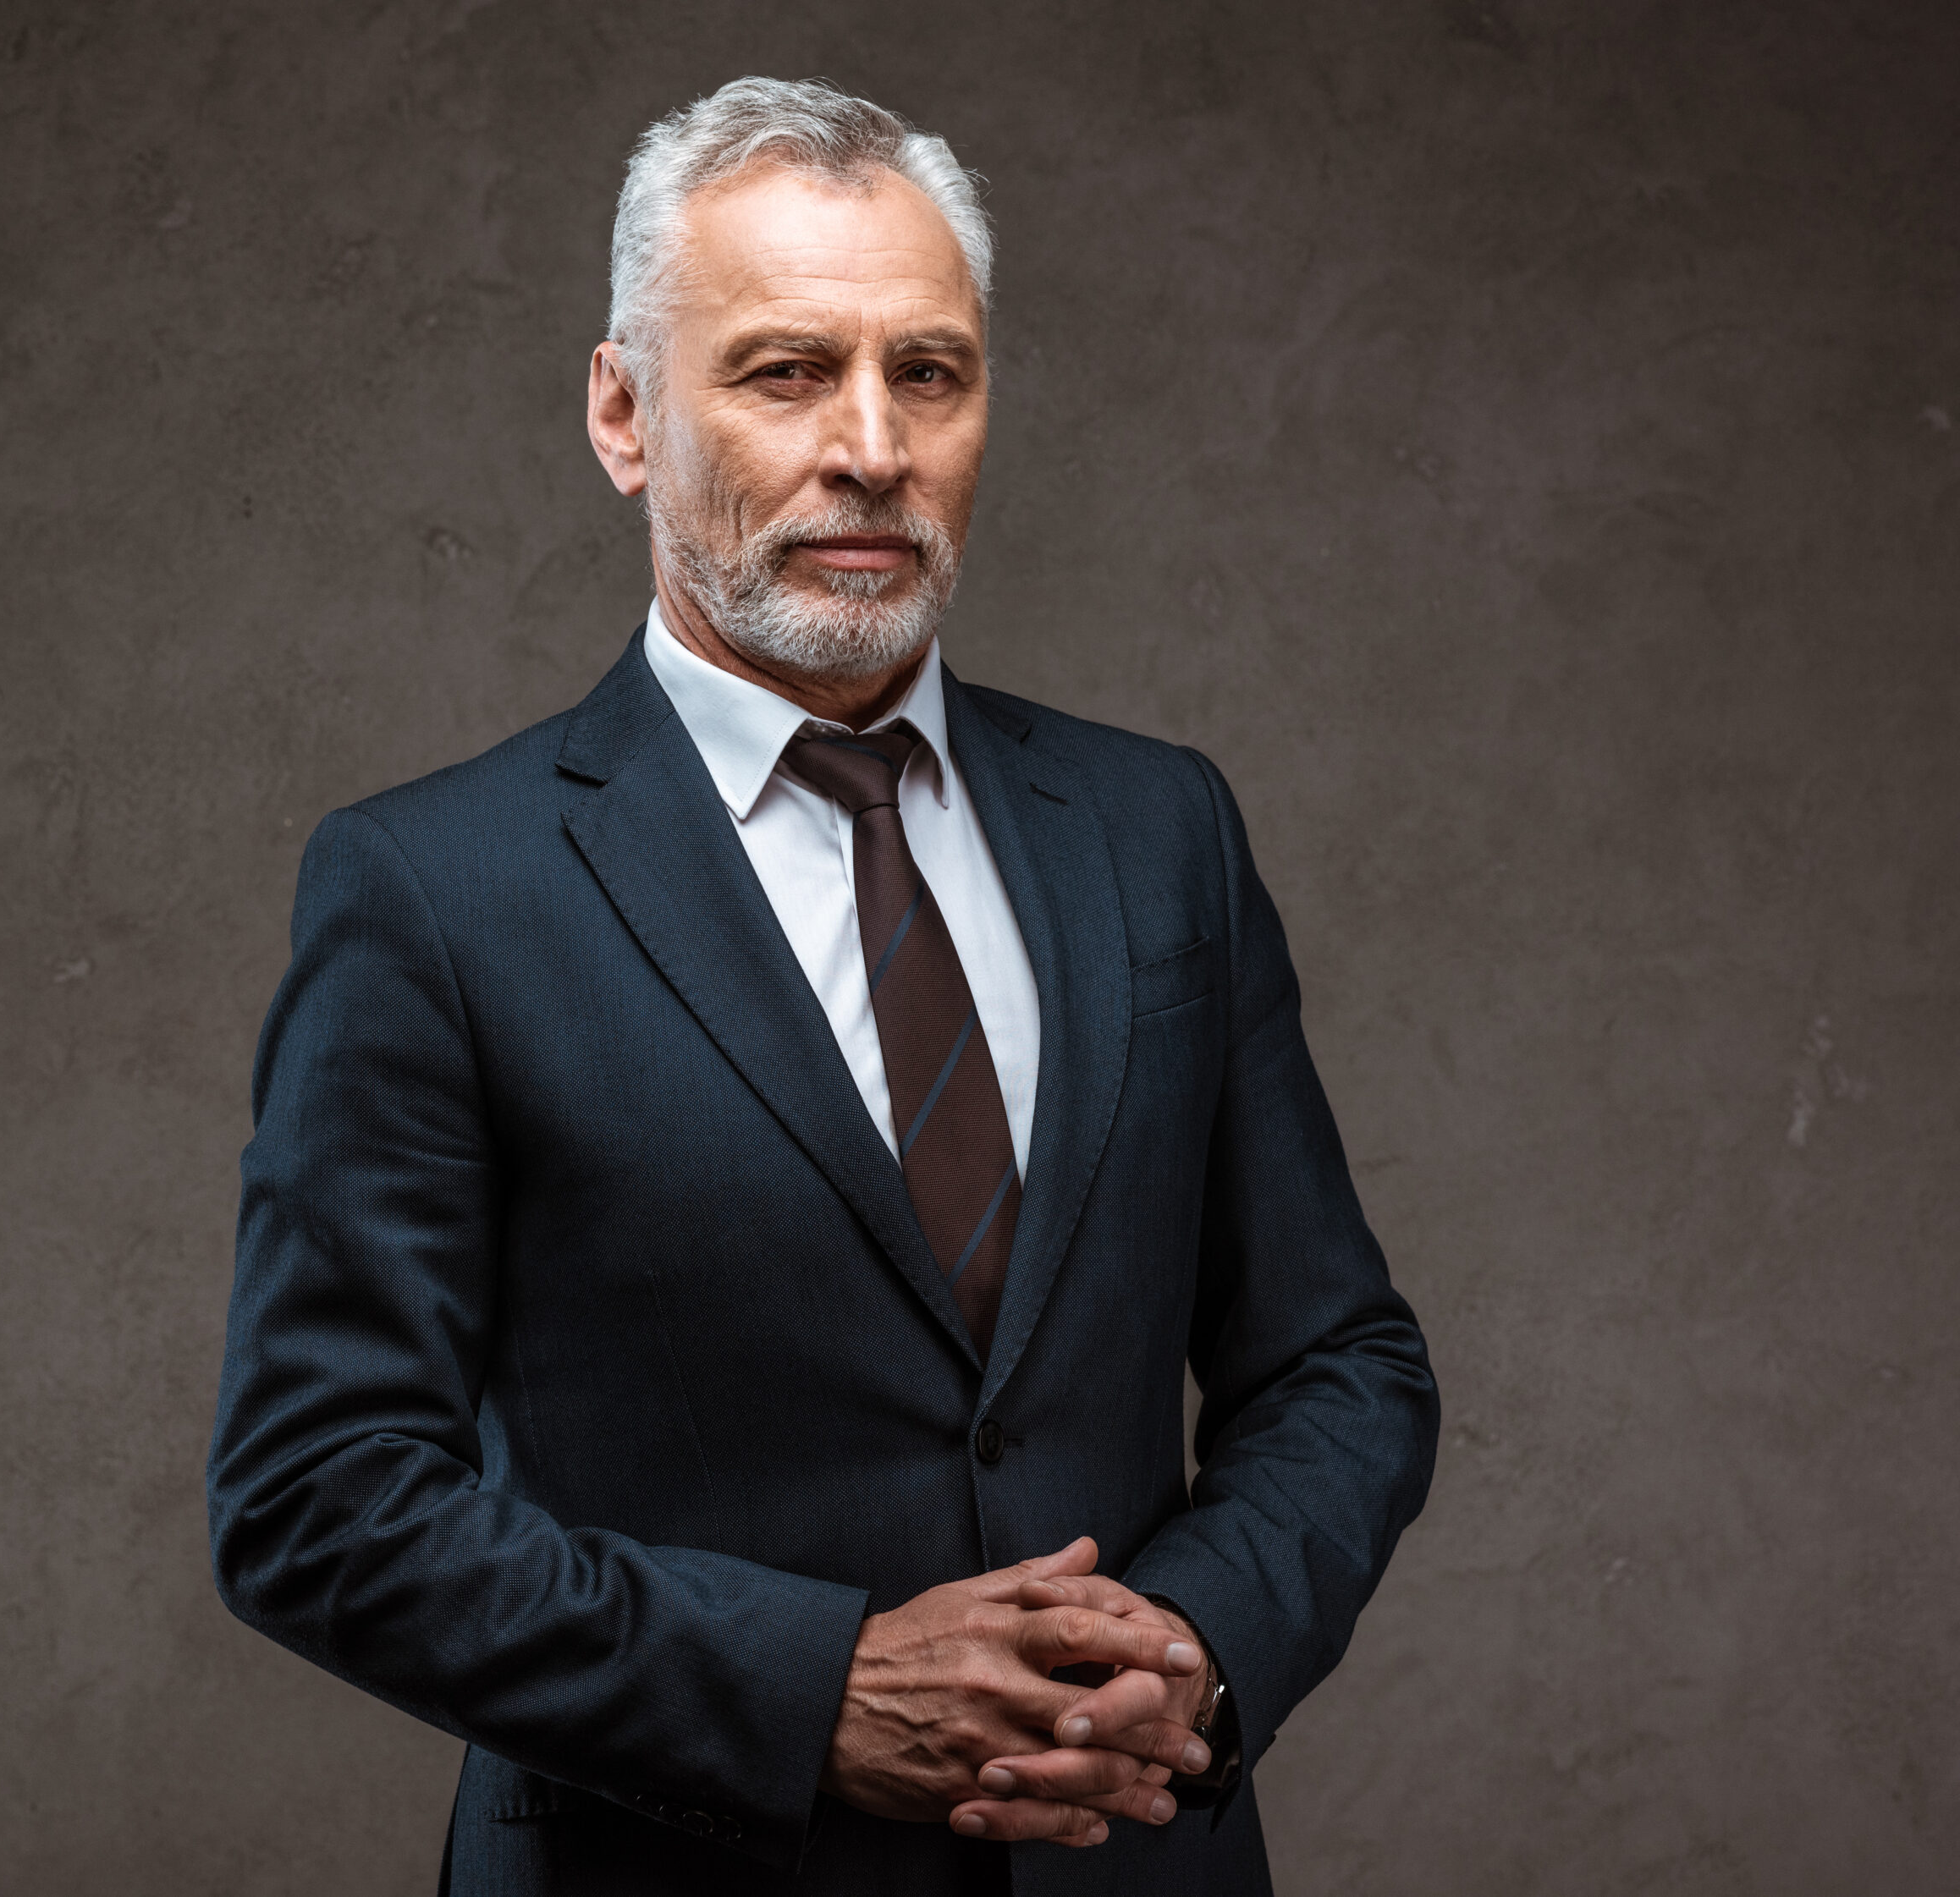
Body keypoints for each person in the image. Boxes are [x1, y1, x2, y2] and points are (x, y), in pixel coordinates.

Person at [207, 76, 1437, 1895]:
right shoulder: (434, 891)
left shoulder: (1156, 827)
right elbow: (314, 1497)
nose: (871, 443)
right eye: (786, 372)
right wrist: (819, 1688)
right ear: (625, 412)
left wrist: (1194, 1643)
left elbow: (1340, 1358)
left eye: (927, 372)